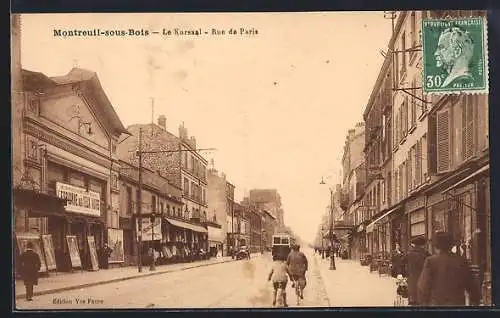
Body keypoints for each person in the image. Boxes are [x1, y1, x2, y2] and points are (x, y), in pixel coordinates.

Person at [417, 232, 480, 306]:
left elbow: (423, 286)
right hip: (457, 304)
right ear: (451, 245)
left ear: (436, 246)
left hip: (436, 303)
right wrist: (475, 301)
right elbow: (471, 285)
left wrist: (424, 303)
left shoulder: (430, 261)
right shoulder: (461, 261)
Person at [403, 237, 431, 306]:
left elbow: (402, 263)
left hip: (412, 280)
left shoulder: (409, 254)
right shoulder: (426, 254)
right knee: (422, 301)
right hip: (423, 281)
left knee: (413, 300)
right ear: (423, 245)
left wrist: (406, 274)